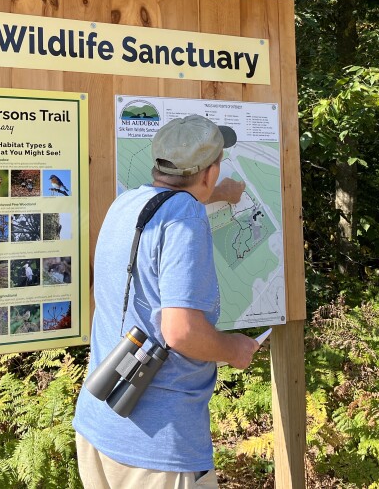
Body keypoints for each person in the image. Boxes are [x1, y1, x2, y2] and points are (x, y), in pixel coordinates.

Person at [73, 114, 259, 488]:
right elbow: (181, 332)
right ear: (209, 172)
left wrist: (217, 194)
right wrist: (234, 348)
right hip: (156, 445)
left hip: (100, 423)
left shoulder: (127, 204)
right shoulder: (185, 216)